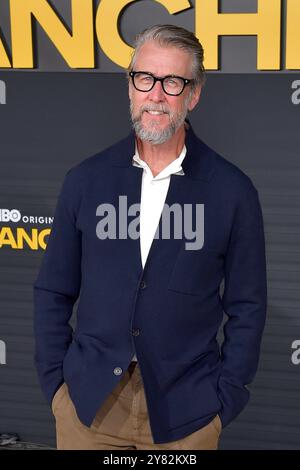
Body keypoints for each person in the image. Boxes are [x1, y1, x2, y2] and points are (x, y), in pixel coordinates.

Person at [33, 24, 267, 450]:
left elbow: (248, 306)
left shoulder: (232, 191)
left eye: (172, 82)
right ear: (130, 87)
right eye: (145, 78)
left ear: (193, 94)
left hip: (188, 415)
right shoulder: (85, 181)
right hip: (87, 410)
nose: (156, 95)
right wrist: (56, 387)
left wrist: (225, 398)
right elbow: (52, 290)